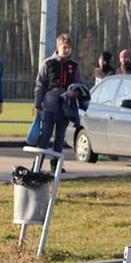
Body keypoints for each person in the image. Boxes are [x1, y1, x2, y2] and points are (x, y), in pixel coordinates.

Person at [34, 33, 83, 171]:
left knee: (60, 137)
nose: (67, 50)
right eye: (64, 47)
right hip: (49, 106)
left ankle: (55, 165)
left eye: (69, 48)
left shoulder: (74, 66)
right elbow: (40, 85)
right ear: (58, 47)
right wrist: (37, 105)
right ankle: (36, 165)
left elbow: (80, 84)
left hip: (65, 107)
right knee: (45, 135)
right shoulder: (48, 63)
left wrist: (75, 92)